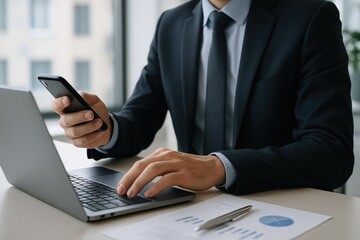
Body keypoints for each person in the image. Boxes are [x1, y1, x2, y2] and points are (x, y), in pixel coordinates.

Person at [52, 0, 354, 199]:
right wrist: (104, 128)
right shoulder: (171, 24)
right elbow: (140, 118)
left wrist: (218, 167)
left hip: (279, 209)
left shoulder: (310, 17)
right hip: (193, 208)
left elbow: (331, 152)